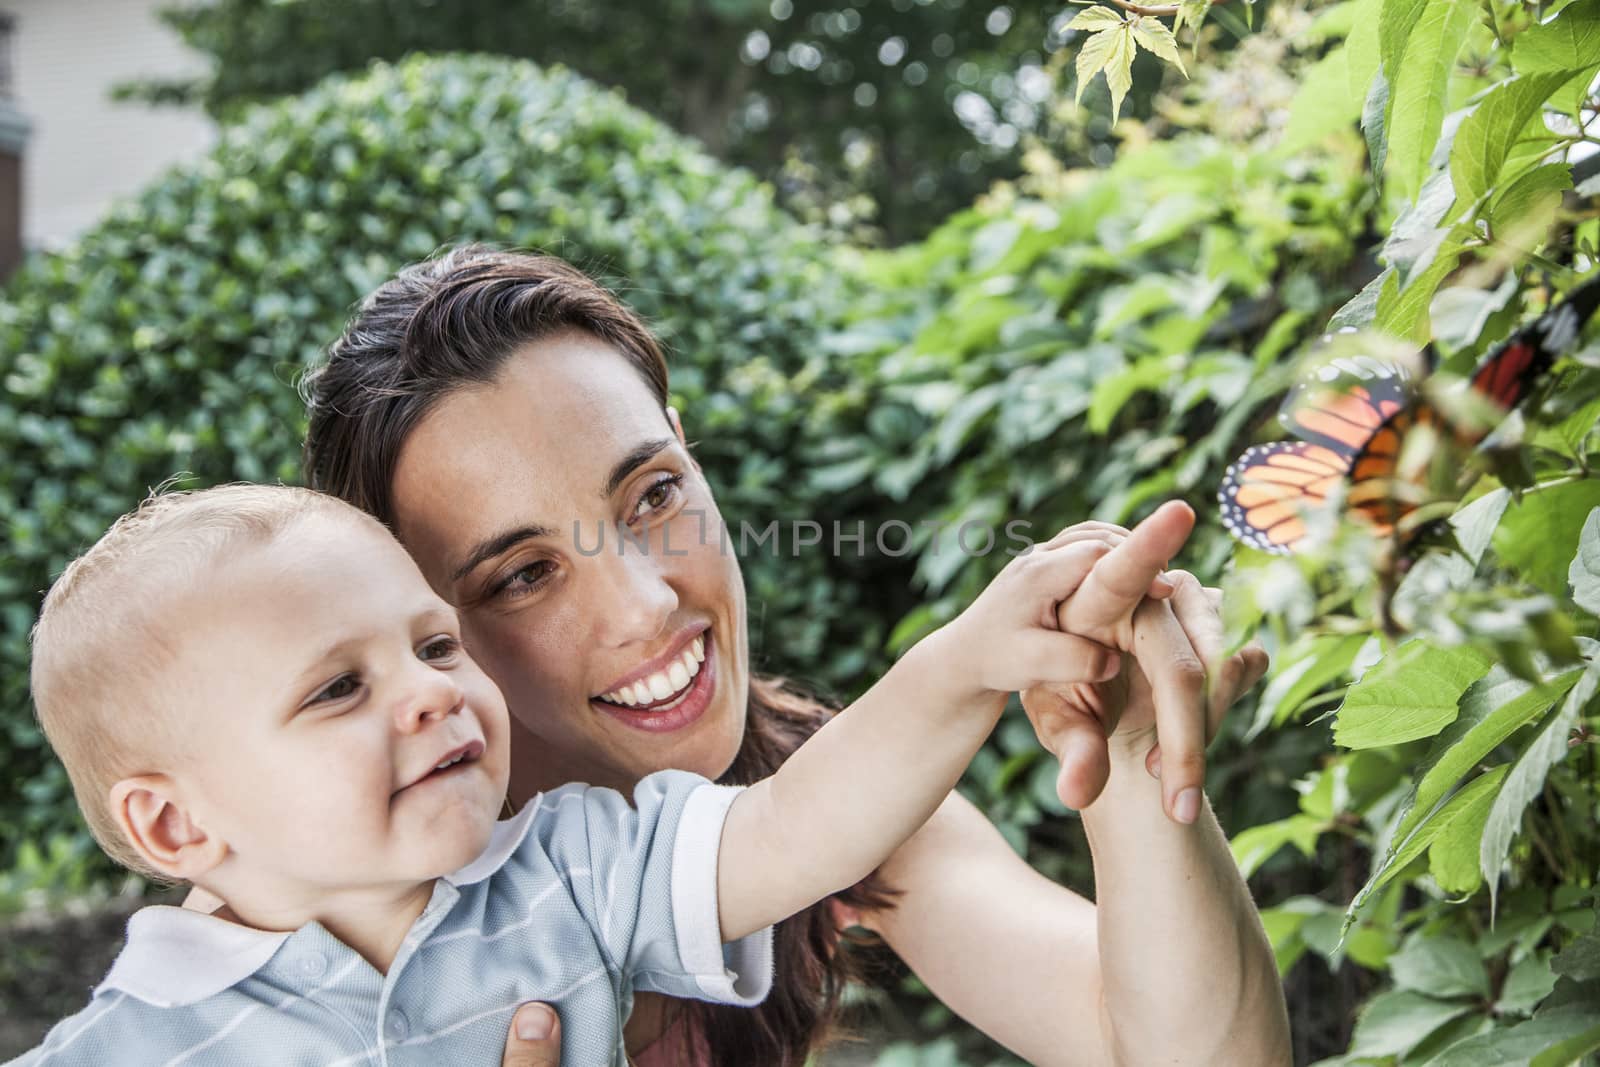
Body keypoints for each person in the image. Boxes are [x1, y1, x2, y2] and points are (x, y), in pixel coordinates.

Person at [302, 246, 1293, 1066]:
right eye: (523, 574)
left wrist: (1132, 759)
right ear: (414, 617)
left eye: (654, 492)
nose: (649, 602)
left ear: (688, 450)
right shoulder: (337, 928)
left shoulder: (834, 795)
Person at [19, 482, 1150, 1066]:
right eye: (336, 688)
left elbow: (800, 824)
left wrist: (968, 659)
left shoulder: (569, 870)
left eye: (433, 645)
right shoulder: (134, 1042)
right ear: (173, 827)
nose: (429, 691)